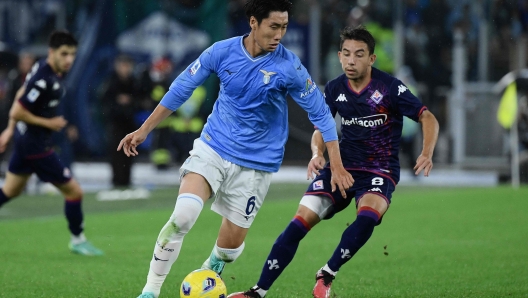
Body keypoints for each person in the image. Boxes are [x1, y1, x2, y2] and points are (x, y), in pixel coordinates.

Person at [117, 1, 353, 297]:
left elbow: (321, 114)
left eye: (284, 27)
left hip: (257, 164)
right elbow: (181, 88)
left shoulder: (289, 66)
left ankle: (209, 273)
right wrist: (144, 130)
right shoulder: (221, 51)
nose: (280, 34)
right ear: (253, 23)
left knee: (229, 250)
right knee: (183, 215)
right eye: (273, 27)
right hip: (214, 147)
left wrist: (337, 164)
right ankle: (150, 291)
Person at [228, 25, 439, 298]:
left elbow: (427, 117)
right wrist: (317, 154)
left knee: (368, 217)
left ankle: (327, 272)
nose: (352, 60)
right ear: (339, 56)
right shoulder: (335, 88)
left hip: (379, 169)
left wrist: (426, 152)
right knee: (298, 222)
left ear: (371, 59)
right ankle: (258, 291)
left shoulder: (390, 87)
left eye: (359, 55)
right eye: (347, 54)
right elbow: (320, 129)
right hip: (341, 167)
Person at [0, 30, 103, 256]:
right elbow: (19, 108)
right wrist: (47, 122)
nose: (69, 59)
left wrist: (9, 129)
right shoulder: (44, 79)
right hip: (36, 148)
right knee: (75, 192)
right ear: (52, 52)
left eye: (72, 54)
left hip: (25, 142)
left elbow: (20, 93)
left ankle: (78, 240)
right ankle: (78, 240)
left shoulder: (42, 69)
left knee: (9, 191)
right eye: (64, 54)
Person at [100, 54, 140, 188]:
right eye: (122, 65)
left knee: (130, 150)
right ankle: (116, 180)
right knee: (115, 151)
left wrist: (130, 101)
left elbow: (141, 100)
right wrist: (117, 104)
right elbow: (104, 101)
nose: (125, 68)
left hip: (130, 122)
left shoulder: (134, 82)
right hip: (115, 123)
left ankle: (127, 180)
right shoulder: (110, 81)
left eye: (127, 65)